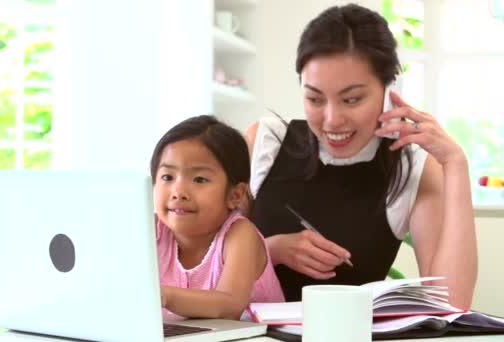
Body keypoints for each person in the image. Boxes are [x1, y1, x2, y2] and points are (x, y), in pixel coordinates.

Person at [245, 4, 477, 309]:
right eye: (314, 98)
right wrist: (270, 251)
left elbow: (451, 304)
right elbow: (194, 267)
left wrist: (456, 165)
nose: (332, 120)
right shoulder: (265, 142)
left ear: (390, 88)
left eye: (351, 99)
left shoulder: (412, 168)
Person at [151, 115, 284, 320]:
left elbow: (229, 305)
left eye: (199, 179)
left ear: (235, 195)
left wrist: (164, 295)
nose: (178, 192)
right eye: (167, 177)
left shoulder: (239, 235)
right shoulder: (150, 230)